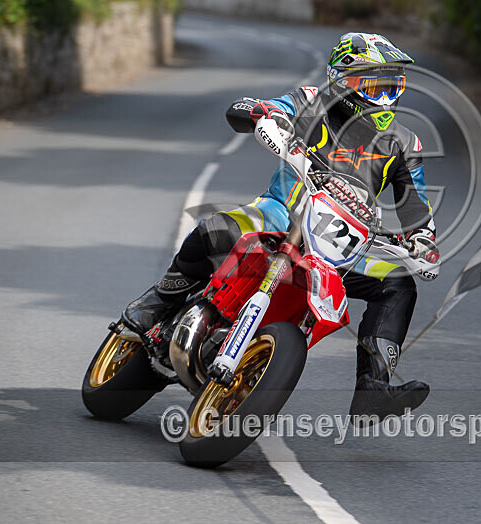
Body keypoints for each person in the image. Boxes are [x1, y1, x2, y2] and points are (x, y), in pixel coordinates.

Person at [123, 33, 438, 420]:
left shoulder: (404, 142)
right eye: (374, 86)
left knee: (398, 284)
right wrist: (260, 112)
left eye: (392, 86)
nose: (385, 97)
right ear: (342, 80)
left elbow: (416, 205)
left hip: (339, 245)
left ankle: (373, 388)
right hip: (279, 215)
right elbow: (263, 109)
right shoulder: (311, 101)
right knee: (217, 229)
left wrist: (423, 240)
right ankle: (157, 302)